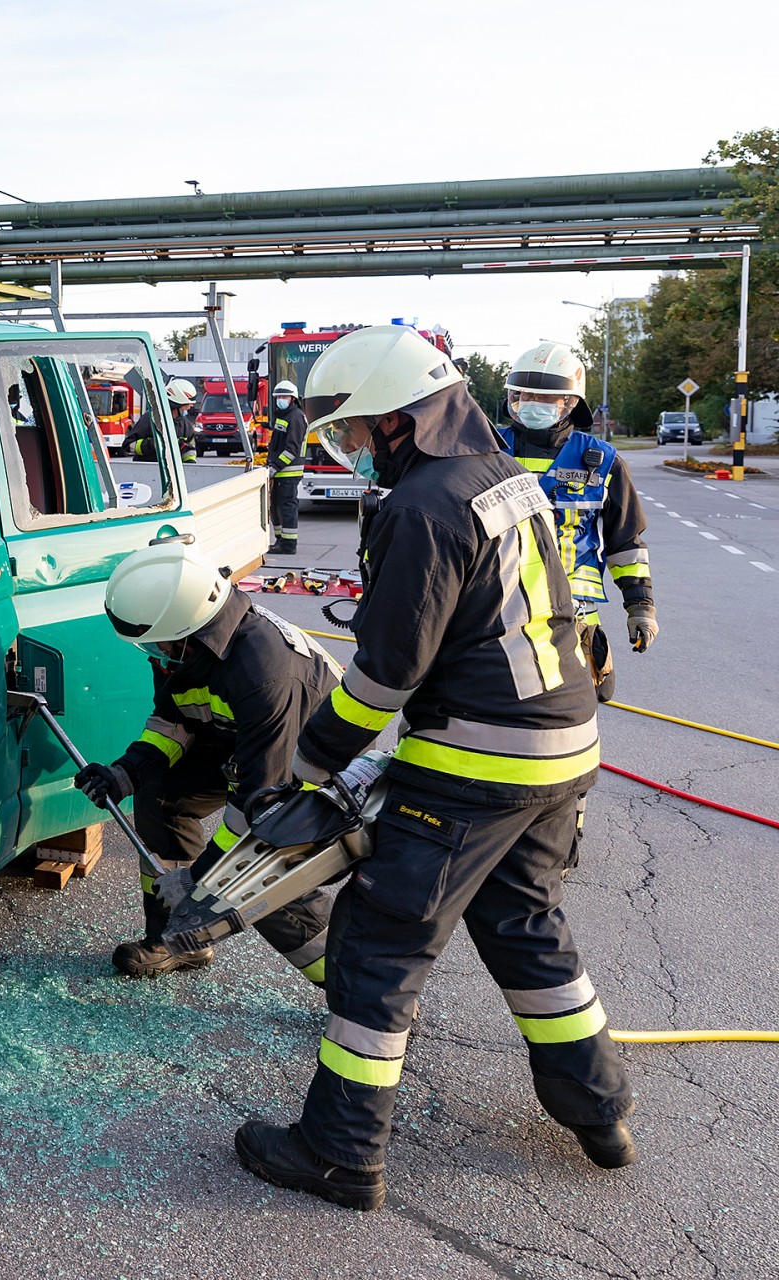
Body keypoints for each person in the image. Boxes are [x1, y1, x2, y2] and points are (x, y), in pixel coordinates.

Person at [234, 325, 634, 1213]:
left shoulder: (421, 506)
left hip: (477, 761)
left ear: (398, 419)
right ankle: (600, 1111)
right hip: (564, 747)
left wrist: (307, 769)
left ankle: (340, 1154)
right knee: (524, 923)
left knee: (378, 944)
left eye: (354, 429)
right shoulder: (505, 475)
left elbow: (384, 678)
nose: (351, 449)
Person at [74, 538, 339, 982]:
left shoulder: (266, 674)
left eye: (155, 644)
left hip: (312, 763)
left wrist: (200, 877)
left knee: (257, 870)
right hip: (241, 739)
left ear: (186, 631)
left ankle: (357, 990)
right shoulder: (184, 646)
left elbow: (262, 808)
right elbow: (175, 721)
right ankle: (178, 941)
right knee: (163, 796)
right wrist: (127, 772)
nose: (153, 654)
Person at [498, 341, 655, 702]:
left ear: (570, 402)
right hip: (496, 608)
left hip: (573, 613)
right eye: (524, 395)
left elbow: (626, 543)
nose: (532, 402)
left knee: (589, 697)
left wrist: (641, 606)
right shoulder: (487, 451)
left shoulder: (602, 462)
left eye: (545, 397)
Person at [266, 380, 307, 555]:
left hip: (289, 472)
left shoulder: (295, 417)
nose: (280, 400)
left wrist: (275, 466)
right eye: (278, 397)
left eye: (284, 396)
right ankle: (280, 540)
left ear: (293, 399)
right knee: (275, 506)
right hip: (280, 472)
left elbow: (292, 449)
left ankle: (289, 545)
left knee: (287, 508)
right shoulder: (283, 416)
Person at [166, 377, 199, 463]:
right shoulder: (150, 420)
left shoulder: (186, 426)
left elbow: (190, 449)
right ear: (178, 404)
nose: (191, 406)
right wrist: (154, 444)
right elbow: (132, 446)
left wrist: (190, 463)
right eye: (189, 403)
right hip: (149, 468)